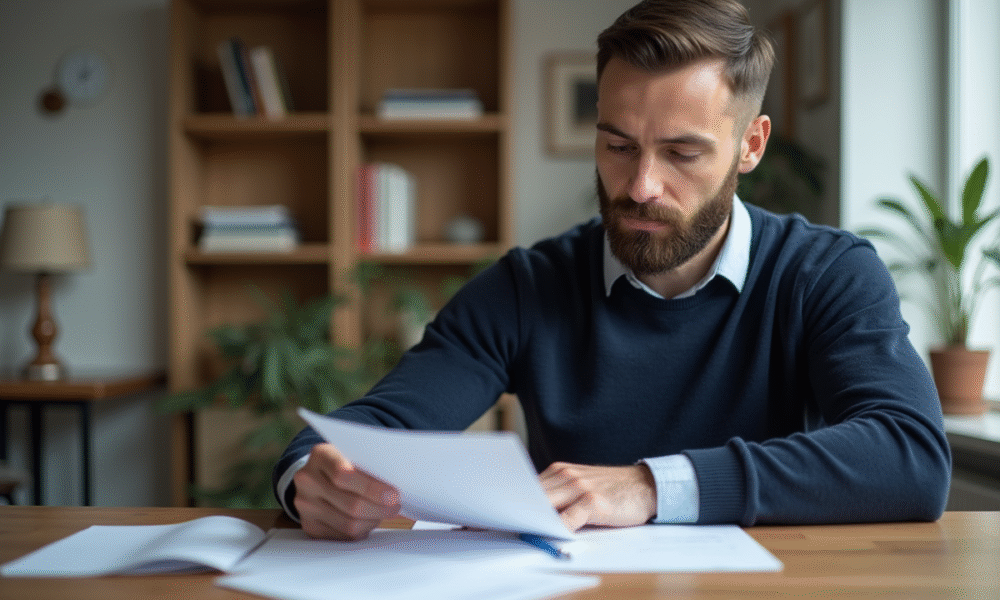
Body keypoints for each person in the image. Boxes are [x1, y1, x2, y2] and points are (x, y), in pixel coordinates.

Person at [274, 0, 951, 541]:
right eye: (617, 145)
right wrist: (312, 477)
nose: (642, 185)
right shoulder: (526, 287)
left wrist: (651, 485)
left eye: (682, 153)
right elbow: (377, 425)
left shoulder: (825, 273)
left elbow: (910, 456)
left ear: (751, 145)